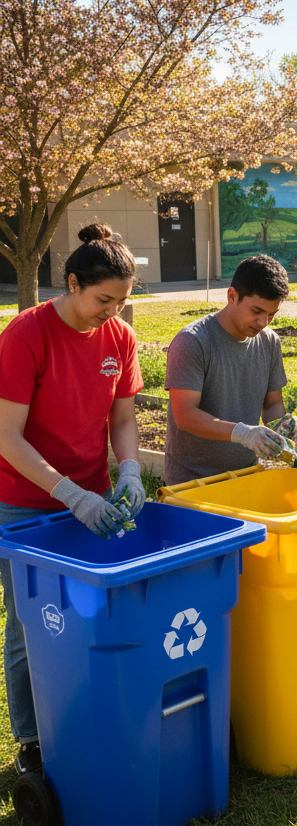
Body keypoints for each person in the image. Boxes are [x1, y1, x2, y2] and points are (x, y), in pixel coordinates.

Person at [0, 223, 145, 776]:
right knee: (30, 623)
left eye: (124, 302)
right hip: (24, 501)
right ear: (72, 282)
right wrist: (68, 495)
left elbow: (125, 417)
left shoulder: (119, 338)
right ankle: (35, 741)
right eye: (104, 300)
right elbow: (7, 435)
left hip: (94, 493)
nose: (113, 312)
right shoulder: (26, 335)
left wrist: (129, 469)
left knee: (94, 610)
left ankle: (93, 709)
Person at [163, 254, 297, 485]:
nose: (263, 322)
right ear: (232, 296)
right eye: (256, 311)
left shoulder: (269, 341)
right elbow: (185, 415)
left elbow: (272, 403)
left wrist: (281, 431)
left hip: (245, 476)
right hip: (192, 482)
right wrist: (243, 433)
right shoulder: (193, 341)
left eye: (271, 315)